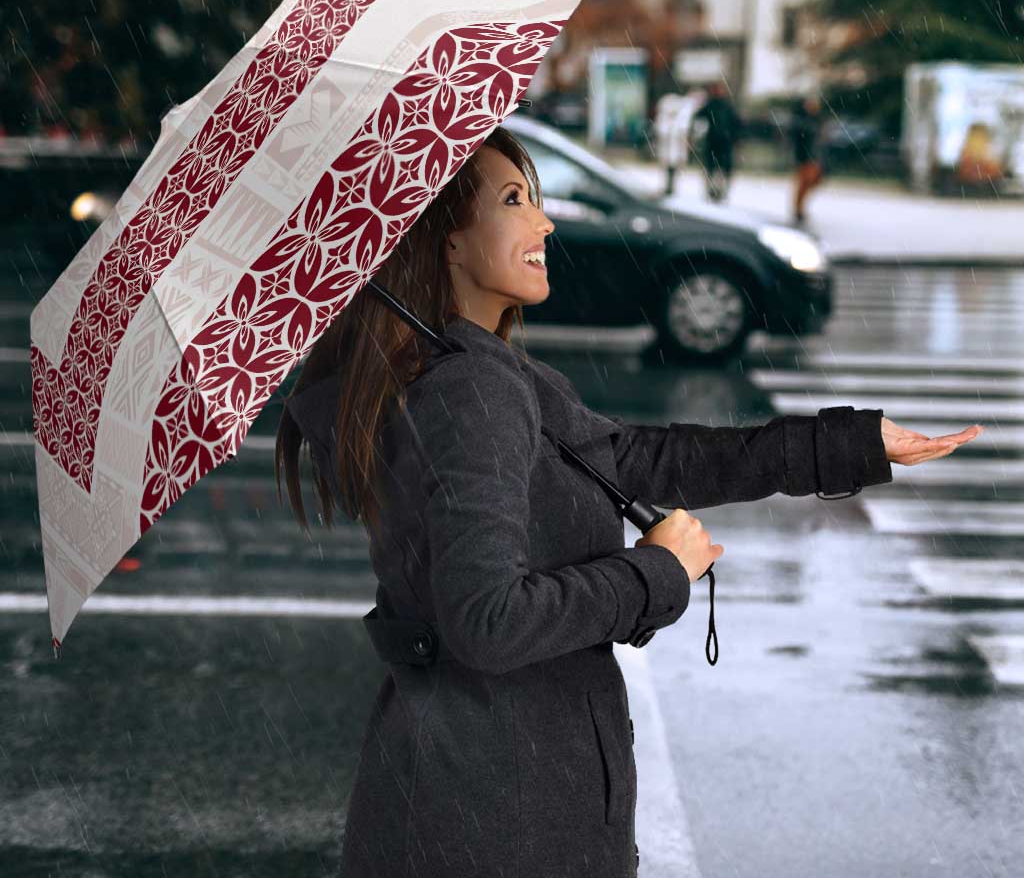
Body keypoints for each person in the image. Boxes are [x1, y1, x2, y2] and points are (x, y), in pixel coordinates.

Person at [276, 124, 978, 878]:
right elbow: (487, 622)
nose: (544, 222)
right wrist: (655, 573)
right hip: (499, 816)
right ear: (445, 239)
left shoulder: (476, 372)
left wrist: (849, 445)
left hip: (477, 795)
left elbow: (640, 458)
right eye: (514, 200)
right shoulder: (469, 390)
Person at [692, 80, 742, 203]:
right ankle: (713, 191)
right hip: (715, 142)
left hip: (723, 142)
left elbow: (736, 124)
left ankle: (719, 191)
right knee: (713, 168)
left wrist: (735, 138)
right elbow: (698, 118)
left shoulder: (725, 106)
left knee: (720, 169)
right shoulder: (712, 105)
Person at [790, 93, 826, 224]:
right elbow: (799, 140)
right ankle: (798, 209)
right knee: (804, 183)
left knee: (812, 182)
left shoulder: (817, 120)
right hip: (805, 157)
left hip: (814, 157)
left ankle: (799, 208)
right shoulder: (802, 121)